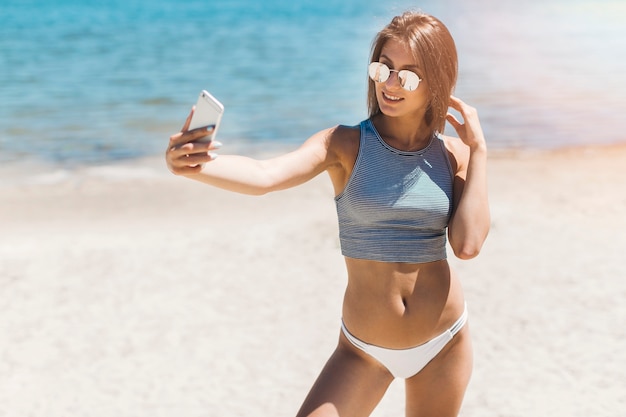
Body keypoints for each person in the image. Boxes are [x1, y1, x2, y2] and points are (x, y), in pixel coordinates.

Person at [165, 10, 490, 417]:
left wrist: (479, 152)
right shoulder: (344, 144)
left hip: (444, 342)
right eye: (383, 67)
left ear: (438, 82)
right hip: (363, 352)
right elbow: (266, 175)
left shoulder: (452, 156)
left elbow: (468, 244)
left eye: (408, 75)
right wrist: (195, 165)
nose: (390, 84)